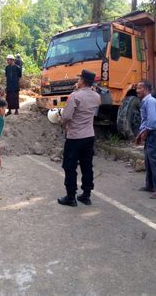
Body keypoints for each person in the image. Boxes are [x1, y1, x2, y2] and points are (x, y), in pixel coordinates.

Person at [57, 69, 101, 207]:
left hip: (75, 136)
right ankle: (86, 195)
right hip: (89, 135)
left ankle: (71, 197)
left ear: (82, 81)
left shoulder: (75, 96)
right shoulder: (96, 97)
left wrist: (60, 120)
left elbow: (67, 117)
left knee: (69, 167)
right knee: (87, 166)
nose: (77, 81)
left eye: (79, 79)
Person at [135, 81, 156, 199]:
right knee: (148, 160)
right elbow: (145, 120)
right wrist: (140, 134)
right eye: (137, 88)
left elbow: (152, 120)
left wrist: (145, 133)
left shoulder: (150, 101)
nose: (137, 90)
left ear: (146, 89)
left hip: (154, 133)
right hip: (150, 132)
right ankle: (150, 185)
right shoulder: (145, 101)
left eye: (139, 88)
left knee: (154, 161)